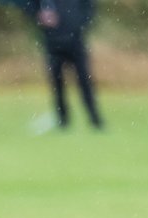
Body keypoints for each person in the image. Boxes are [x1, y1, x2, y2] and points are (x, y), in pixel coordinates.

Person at [26, 0, 103, 130]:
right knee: (57, 84)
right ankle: (63, 120)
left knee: (85, 81)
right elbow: (31, 8)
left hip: (75, 42)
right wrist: (39, 17)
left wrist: (78, 26)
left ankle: (95, 119)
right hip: (53, 43)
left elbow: (89, 9)